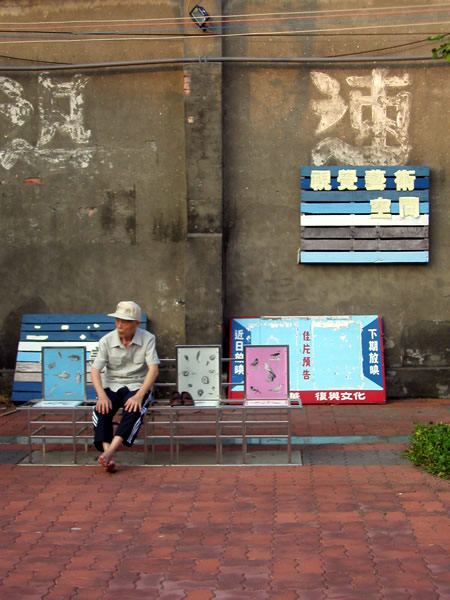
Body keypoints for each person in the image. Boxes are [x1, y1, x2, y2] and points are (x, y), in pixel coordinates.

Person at [91, 301, 159, 472]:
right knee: (101, 409)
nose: (120, 325)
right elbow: (95, 370)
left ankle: (110, 452)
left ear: (137, 323)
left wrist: (139, 395)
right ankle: (107, 453)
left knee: (133, 408)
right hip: (112, 384)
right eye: (117, 320)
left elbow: (153, 369)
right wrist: (101, 395)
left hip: (137, 384)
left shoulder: (148, 339)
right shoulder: (106, 340)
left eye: (125, 321)